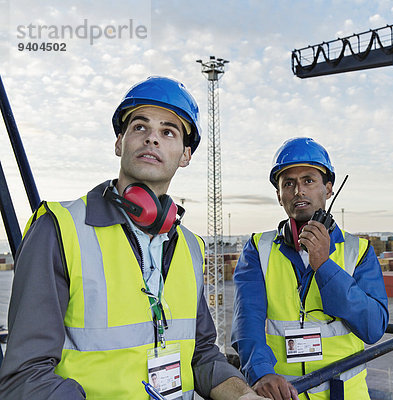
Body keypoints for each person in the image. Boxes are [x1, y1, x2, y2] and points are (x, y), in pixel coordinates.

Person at [0, 76, 266, 400]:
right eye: (140, 127)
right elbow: (27, 377)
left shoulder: (191, 248)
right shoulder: (59, 230)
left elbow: (202, 356)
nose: (152, 139)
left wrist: (244, 395)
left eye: (168, 132)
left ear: (185, 155)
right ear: (119, 142)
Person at [231, 137, 389, 400]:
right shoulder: (259, 249)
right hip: (284, 394)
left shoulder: (357, 250)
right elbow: (248, 320)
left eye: (308, 180)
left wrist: (325, 266)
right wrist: (260, 373)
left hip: (345, 394)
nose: (298, 191)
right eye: (288, 183)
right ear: (279, 195)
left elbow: (373, 328)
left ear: (328, 190)